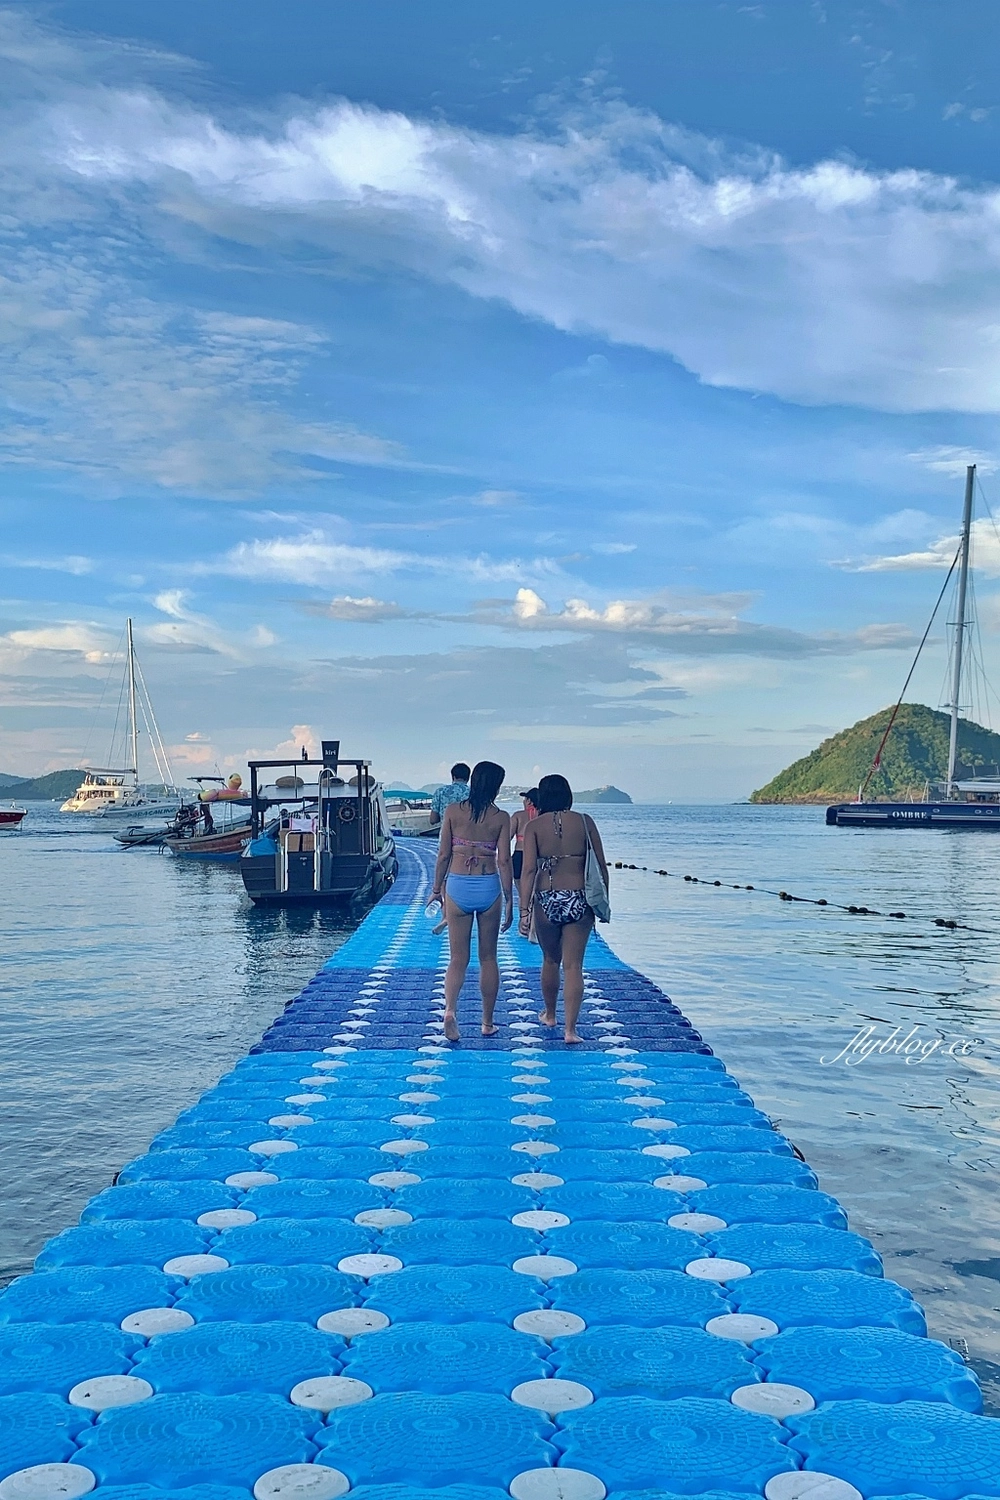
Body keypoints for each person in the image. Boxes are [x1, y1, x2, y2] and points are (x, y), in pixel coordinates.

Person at [518, 773, 609, 1044]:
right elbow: (601, 865)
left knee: (550, 959)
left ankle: (549, 1014)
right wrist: (604, 899)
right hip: (580, 898)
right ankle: (570, 1030)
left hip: (547, 898)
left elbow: (529, 869)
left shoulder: (534, 827)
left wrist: (524, 909)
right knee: (573, 966)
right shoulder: (585, 822)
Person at [431, 761, 512, 1040]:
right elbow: (503, 860)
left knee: (457, 958)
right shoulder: (502, 817)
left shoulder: (453, 812)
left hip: (458, 885)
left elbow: (443, 855)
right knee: (488, 957)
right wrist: (511, 899)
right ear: (496, 787)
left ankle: (450, 1010)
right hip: (488, 886)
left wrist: (435, 888)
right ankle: (487, 1023)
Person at [510, 787, 539, 885]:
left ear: (529, 801)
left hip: (520, 855)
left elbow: (507, 837)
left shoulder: (518, 816)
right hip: (538, 856)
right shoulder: (543, 817)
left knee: (522, 893)